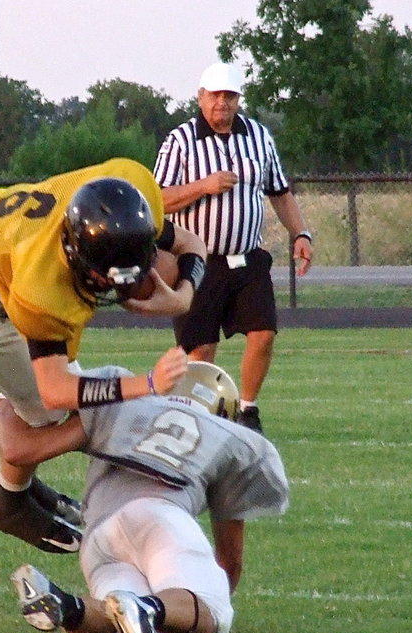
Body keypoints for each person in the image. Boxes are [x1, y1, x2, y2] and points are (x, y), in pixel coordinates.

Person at [0, 158, 207, 554]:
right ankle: (7, 500)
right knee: (56, 414)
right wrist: (146, 385)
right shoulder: (42, 287)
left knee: (69, 405)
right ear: (76, 253)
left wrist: (182, 296)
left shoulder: (131, 189)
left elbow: (193, 245)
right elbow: (58, 390)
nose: (115, 289)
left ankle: (18, 476)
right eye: (104, 278)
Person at [2, 362, 289, 633]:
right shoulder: (228, 437)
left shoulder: (125, 405)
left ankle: (69, 607)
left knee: (131, 625)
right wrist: (199, 611)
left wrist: (5, 399)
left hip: (99, 538)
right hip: (159, 519)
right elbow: (230, 560)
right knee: (214, 611)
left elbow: (21, 450)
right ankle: (147, 606)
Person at [153, 62, 314, 434]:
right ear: (200, 96)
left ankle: (248, 410)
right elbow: (157, 199)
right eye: (215, 96)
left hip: (247, 257)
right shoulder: (180, 141)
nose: (221, 104)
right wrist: (201, 186)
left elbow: (280, 192)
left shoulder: (258, 136)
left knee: (263, 332)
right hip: (197, 261)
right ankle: (198, 418)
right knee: (200, 350)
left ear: (238, 99)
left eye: (229, 96)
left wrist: (302, 234)